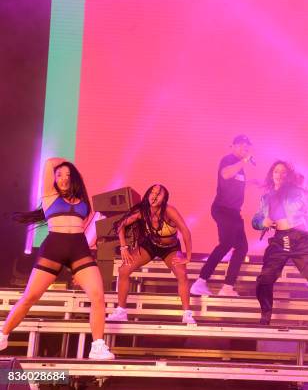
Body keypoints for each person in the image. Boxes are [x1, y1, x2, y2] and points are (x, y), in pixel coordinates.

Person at [2, 158, 114, 359]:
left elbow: (85, 231)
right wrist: (67, 164)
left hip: (79, 249)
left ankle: (98, 346)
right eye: (59, 174)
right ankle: (2, 335)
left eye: (68, 175)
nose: (63, 178)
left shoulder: (83, 202)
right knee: (30, 297)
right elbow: (48, 163)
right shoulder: (49, 195)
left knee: (98, 296)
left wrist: (79, 270)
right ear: (53, 178)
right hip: (53, 249)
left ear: (74, 180)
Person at [252, 161, 308, 325]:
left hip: (300, 239)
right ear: (271, 175)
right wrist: (261, 223)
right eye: (276, 172)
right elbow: (256, 219)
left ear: (288, 176)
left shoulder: (296, 192)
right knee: (264, 279)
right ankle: (266, 315)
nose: (279, 175)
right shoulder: (266, 197)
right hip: (279, 240)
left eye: (283, 172)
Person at [106, 184, 195, 323]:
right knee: (123, 270)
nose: (154, 195)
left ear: (164, 198)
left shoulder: (169, 211)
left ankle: (187, 314)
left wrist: (188, 256)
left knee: (182, 274)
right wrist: (124, 247)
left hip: (170, 248)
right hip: (150, 245)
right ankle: (121, 311)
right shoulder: (143, 211)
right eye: (152, 192)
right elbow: (120, 225)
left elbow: (186, 232)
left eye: (158, 194)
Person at [190, 135, 254, 297]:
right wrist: (244, 161)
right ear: (232, 146)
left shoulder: (240, 168)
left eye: (247, 147)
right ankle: (201, 281)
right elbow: (225, 175)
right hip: (223, 209)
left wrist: (255, 183)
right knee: (226, 244)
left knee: (241, 247)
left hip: (234, 212)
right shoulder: (228, 159)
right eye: (241, 145)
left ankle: (227, 287)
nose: (244, 149)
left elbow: (236, 188)